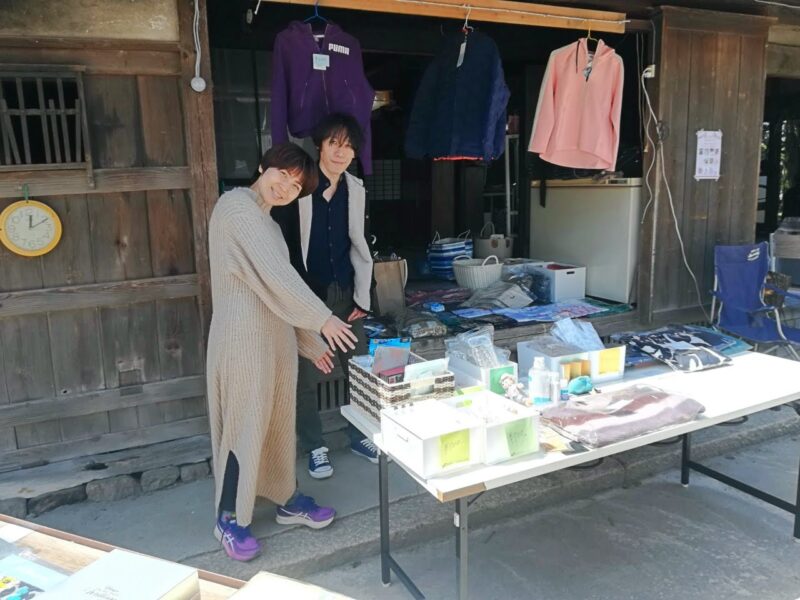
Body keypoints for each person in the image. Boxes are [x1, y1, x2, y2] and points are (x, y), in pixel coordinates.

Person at [206, 143, 358, 562]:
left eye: (296, 186)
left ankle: (285, 499)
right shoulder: (236, 207)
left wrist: (309, 342)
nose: (286, 187)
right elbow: (276, 277)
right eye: (282, 175)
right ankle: (228, 518)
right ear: (263, 167)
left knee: (277, 423)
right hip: (241, 341)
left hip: (274, 343)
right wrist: (323, 319)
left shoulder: (270, 226)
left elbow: (277, 290)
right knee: (243, 425)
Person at [273, 113, 376, 479]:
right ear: (319, 145)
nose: (340, 152)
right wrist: (296, 301)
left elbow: (360, 244)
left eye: (348, 146)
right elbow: (285, 245)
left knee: (360, 367)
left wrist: (364, 297)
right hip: (306, 296)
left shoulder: (355, 189)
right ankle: (314, 446)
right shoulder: (300, 186)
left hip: (345, 294)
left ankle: (360, 435)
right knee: (305, 375)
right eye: (334, 143)